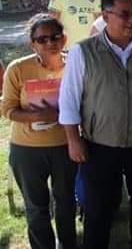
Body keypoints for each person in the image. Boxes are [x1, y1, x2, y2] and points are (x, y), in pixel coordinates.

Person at [58, 0, 132, 248]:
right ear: (106, 16)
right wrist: (73, 140)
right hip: (99, 145)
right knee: (99, 208)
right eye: (124, 14)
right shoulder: (83, 52)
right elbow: (69, 99)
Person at [2, 15, 77, 249]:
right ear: (32, 43)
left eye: (55, 37)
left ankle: (68, 244)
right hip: (27, 150)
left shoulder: (76, 64)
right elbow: (7, 110)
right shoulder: (18, 69)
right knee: (36, 208)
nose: (49, 43)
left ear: (64, 38)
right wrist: (35, 116)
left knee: (66, 203)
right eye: (41, 39)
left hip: (66, 145)